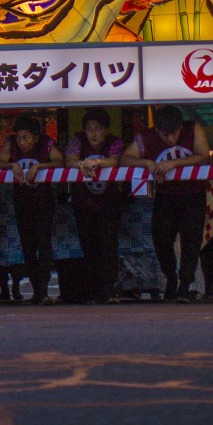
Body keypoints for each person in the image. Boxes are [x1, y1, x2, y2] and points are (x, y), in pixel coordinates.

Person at [122, 104, 213, 302]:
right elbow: (125, 158)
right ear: (157, 130)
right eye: (165, 135)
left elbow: (204, 156)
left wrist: (173, 164)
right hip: (165, 196)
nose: (171, 139)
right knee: (161, 239)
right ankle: (171, 277)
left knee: (192, 241)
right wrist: (148, 163)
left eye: (174, 133)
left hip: (193, 194)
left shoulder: (193, 129)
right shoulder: (145, 137)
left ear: (181, 127)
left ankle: (184, 285)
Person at [0, 115, 65, 305]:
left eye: (26, 138)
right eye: (19, 138)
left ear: (36, 137)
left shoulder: (46, 143)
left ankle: (43, 291)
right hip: (22, 203)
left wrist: (40, 166)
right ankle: (36, 291)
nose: (21, 142)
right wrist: (12, 164)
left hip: (44, 203)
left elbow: (61, 162)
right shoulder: (11, 144)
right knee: (28, 247)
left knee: (43, 245)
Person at [65, 109, 126, 304]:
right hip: (82, 203)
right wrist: (80, 164)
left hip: (108, 203)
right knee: (88, 246)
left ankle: (110, 290)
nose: (93, 133)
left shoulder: (115, 142)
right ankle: (92, 291)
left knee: (108, 245)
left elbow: (116, 161)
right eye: (89, 128)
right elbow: (69, 160)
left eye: (97, 129)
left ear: (106, 130)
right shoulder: (77, 140)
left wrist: (96, 161)